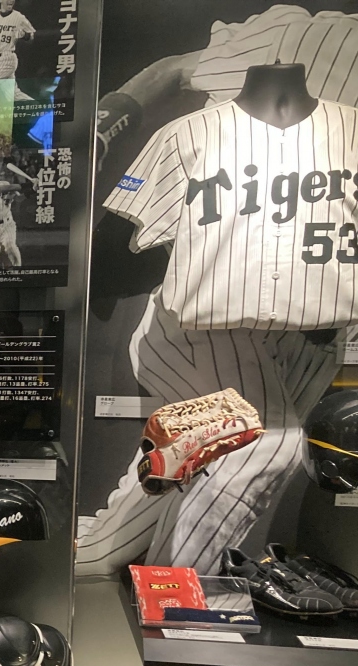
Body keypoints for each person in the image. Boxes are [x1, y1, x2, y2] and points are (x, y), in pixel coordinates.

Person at [79, 4, 358, 576]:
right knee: (261, 445)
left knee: (197, 465)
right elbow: (170, 70)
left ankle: (91, 557)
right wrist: (103, 123)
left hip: (316, 335)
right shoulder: (304, 34)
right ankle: (178, 598)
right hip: (207, 327)